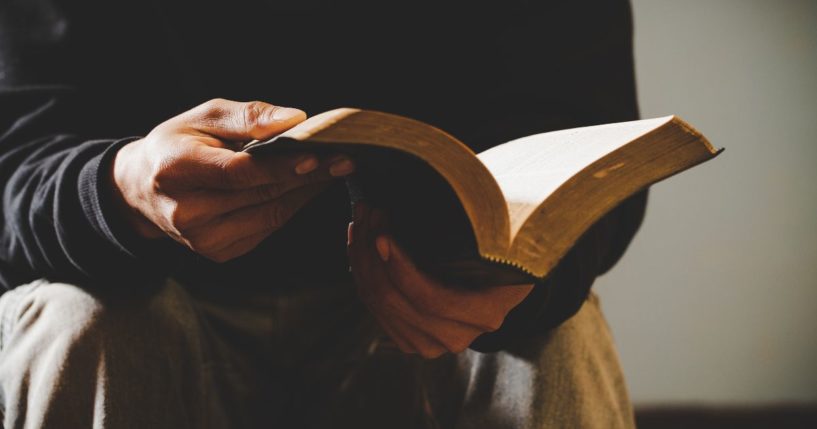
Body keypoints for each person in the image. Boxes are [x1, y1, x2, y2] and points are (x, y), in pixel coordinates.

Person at [0, 0, 648, 427]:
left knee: (551, 335)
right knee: (74, 322)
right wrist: (118, 187)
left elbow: (590, 159)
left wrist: (522, 283)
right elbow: (13, 166)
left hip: (421, 319)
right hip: (154, 294)